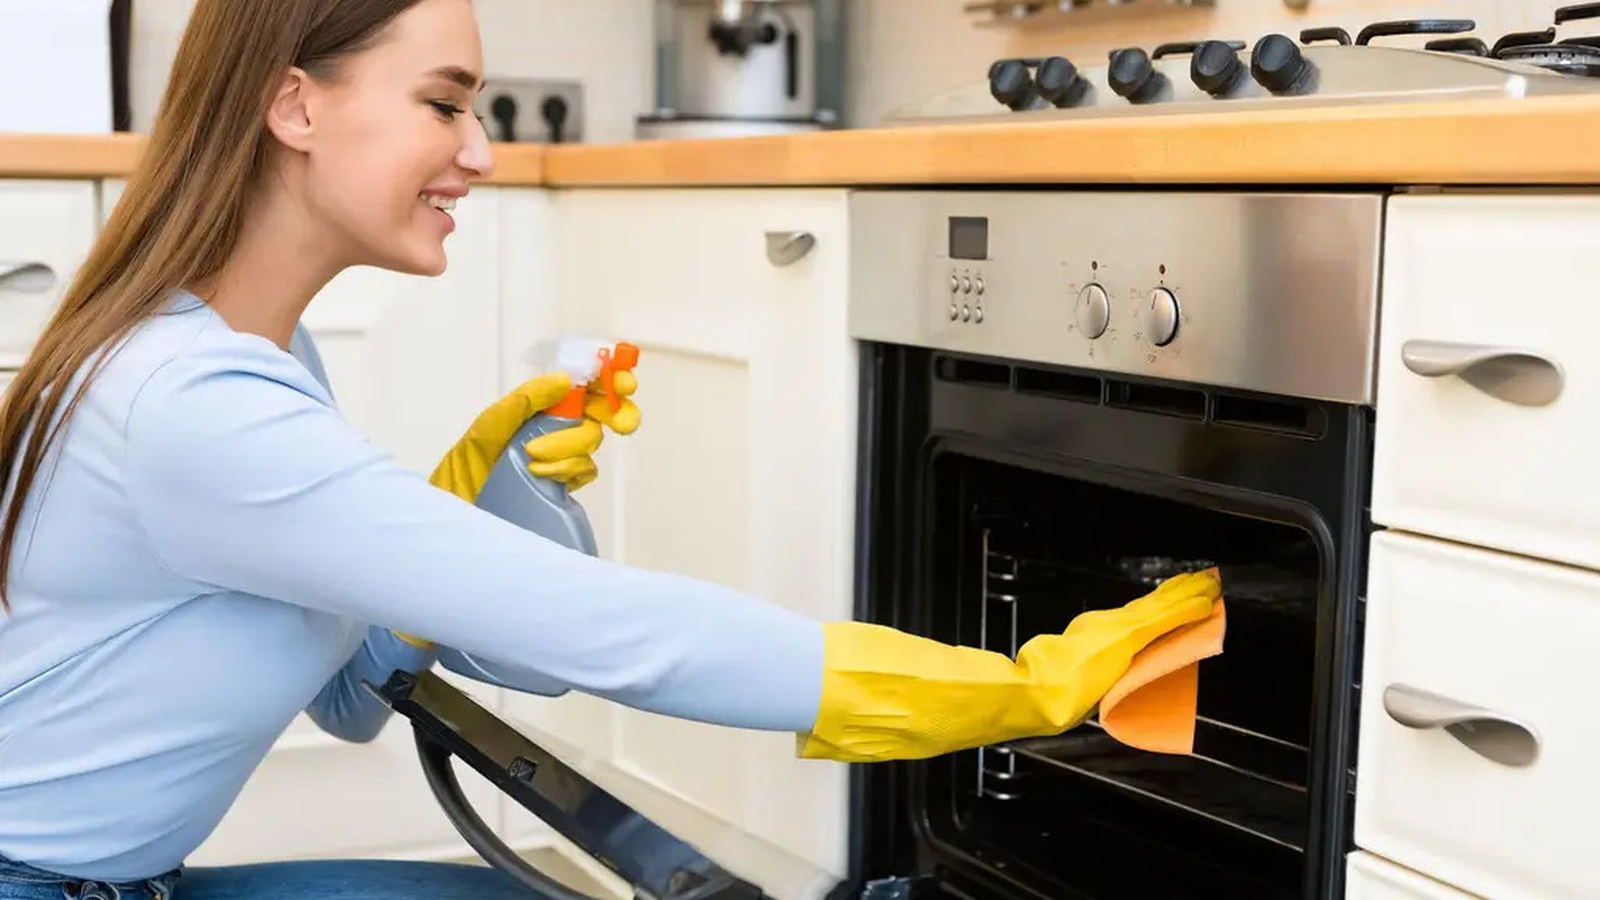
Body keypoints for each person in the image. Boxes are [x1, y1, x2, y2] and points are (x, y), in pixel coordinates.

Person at [0, 1, 1223, 898]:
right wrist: (1008, 690)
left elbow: (349, 693)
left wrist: (487, 500)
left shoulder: (249, 355)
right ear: (293, 103)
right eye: (442, 103)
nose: (478, 150)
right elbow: (617, 638)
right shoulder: (195, 402)